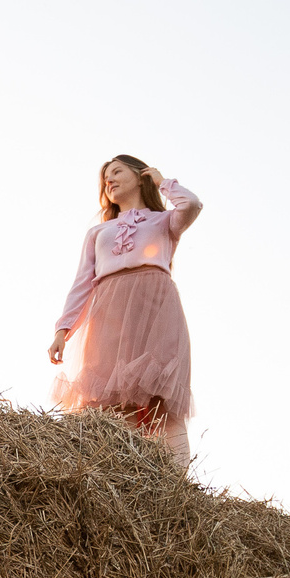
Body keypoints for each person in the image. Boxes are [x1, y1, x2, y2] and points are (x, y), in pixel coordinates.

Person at [48, 155, 202, 470]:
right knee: (110, 400)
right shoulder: (98, 232)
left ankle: (176, 486)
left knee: (160, 396)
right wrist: (62, 331)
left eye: (117, 172)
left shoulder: (163, 222)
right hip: (109, 316)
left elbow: (192, 205)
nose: (110, 180)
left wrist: (162, 182)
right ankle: (115, 475)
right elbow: (81, 284)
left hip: (155, 311)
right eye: (105, 178)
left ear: (139, 175)